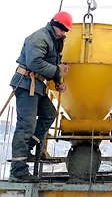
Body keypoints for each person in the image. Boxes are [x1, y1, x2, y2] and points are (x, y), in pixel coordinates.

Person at [8, 11, 72, 183]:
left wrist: (58, 81)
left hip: (37, 85)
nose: (64, 33)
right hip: (26, 84)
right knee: (26, 125)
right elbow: (34, 62)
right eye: (63, 30)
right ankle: (18, 171)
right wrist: (58, 71)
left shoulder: (54, 41)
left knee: (49, 114)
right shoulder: (40, 37)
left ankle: (26, 148)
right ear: (55, 25)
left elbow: (51, 64)